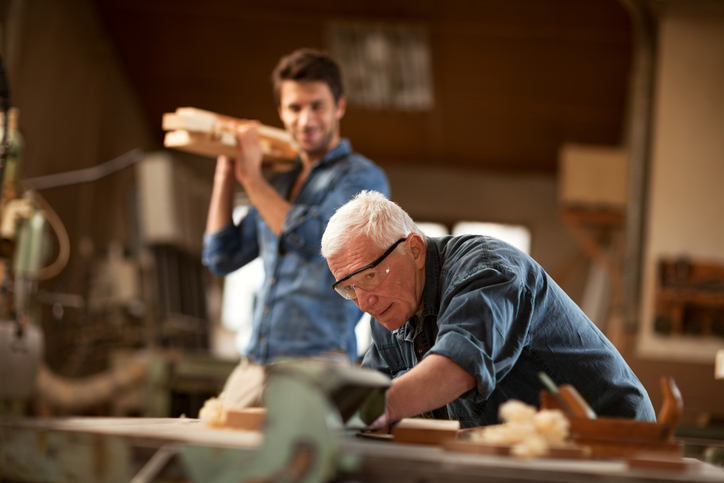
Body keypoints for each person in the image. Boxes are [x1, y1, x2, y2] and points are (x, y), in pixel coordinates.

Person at [321, 191, 656, 429]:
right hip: (532, 456)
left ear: (415, 249)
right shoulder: (391, 311)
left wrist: (365, 410)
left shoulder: (486, 269)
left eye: (370, 275)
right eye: (349, 288)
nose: (364, 303)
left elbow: (458, 366)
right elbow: (372, 390)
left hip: (613, 440)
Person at [202, 49, 390, 407]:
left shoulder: (362, 177)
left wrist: (252, 179)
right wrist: (227, 176)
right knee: (215, 448)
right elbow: (220, 257)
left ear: (339, 107)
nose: (305, 120)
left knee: (299, 462)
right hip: (256, 362)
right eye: (294, 108)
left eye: (317, 106)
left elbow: (318, 239)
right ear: (281, 112)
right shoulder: (276, 184)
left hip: (318, 363)